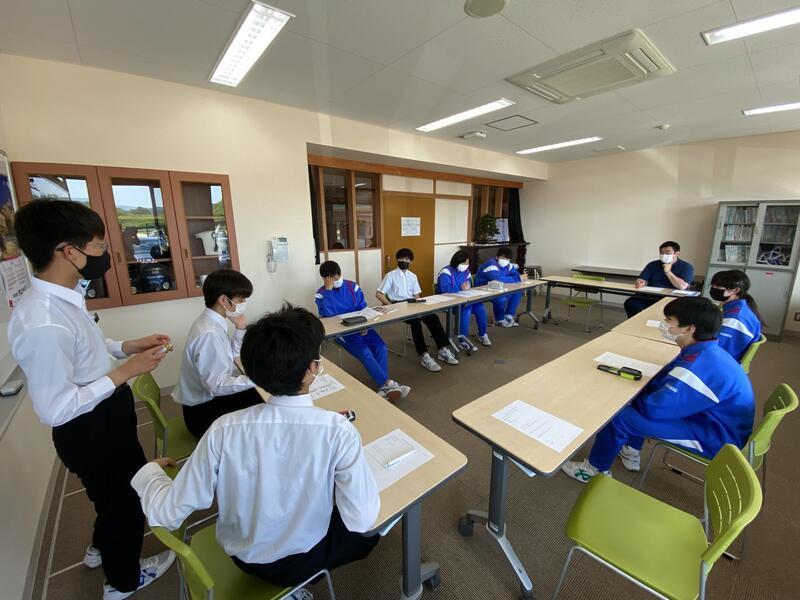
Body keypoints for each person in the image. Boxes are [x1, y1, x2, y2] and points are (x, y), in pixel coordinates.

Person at [132, 305, 381, 595]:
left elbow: (167, 512)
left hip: (242, 557)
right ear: (313, 368)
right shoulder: (337, 431)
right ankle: (294, 588)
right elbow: (361, 519)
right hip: (301, 559)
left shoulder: (223, 429)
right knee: (371, 533)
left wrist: (150, 473)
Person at [9, 200, 175, 600]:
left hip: (106, 415)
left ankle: (100, 547)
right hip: (90, 428)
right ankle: (123, 581)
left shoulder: (65, 298)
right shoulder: (42, 322)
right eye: (99, 247)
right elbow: (56, 407)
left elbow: (87, 350)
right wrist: (126, 371)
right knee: (125, 502)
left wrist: (127, 347)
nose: (106, 255)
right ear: (69, 251)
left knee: (110, 497)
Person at [561, 297, 754, 483]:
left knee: (620, 416)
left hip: (716, 437)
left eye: (669, 320)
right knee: (640, 399)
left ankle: (594, 470)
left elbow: (655, 410)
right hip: (708, 418)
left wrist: (630, 399)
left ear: (689, 328)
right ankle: (630, 449)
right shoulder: (705, 351)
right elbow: (665, 381)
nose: (663, 324)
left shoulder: (697, 368)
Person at [174, 268, 262, 438]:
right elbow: (217, 386)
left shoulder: (211, 322)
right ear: (223, 300)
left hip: (206, 401)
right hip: (202, 415)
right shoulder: (209, 333)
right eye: (241, 299)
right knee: (263, 401)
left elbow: (232, 355)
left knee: (258, 394)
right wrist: (259, 379)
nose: (244, 304)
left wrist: (240, 328)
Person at [315, 260, 410, 401]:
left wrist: (365, 325)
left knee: (381, 347)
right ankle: (388, 383)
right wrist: (329, 291)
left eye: (337, 277)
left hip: (361, 325)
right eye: (332, 279)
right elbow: (328, 316)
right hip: (342, 332)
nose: (336, 280)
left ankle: (384, 386)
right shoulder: (321, 294)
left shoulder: (352, 286)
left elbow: (363, 307)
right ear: (325, 279)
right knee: (365, 351)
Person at [376, 248, 459, 372]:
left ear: (411, 261)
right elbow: (379, 294)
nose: (404, 261)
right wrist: (390, 306)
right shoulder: (391, 275)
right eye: (401, 258)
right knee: (415, 323)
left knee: (432, 317)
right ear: (397, 260)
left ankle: (442, 350)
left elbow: (416, 296)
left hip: (412, 303)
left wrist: (421, 307)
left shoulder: (413, 276)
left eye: (407, 259)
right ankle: (424, 356)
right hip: (397, 305)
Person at [437, 250, 491, 352]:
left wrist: (468, 289)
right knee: (466, 310)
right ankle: (462, 341)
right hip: (449, 301)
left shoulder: (466, 272)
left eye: (467, 263)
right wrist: (460, 288)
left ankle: (483, 334)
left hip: (465, 299)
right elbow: (444, 289)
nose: (466, 265)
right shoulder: (446, 272)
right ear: (456, 262)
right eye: (464, 263)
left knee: (480, 307)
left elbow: (469, 286)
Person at [624, 241, 695, 317]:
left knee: (664, 310)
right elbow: (642, 279)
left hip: (671, 298)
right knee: (631, 303)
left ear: (677, 253)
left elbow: (682, 286)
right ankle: (636, 322)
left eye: (668, 253)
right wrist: (640, 282)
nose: (664, 255)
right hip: (650, 295)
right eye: (662, 253)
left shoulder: (686, 267)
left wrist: (668, 272)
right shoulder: (652, 264)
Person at [709, 269, 763, 362]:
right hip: (726, 356)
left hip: (723, 361)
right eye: (712, 285)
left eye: (718, 286)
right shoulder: (739, 306)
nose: (713, 288)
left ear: (736, 290)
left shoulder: (734, 319)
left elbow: (714, 349)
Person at [474, 246, 528, 327]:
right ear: (497, 257)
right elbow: (497, 278)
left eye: (508, 259)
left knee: (517, 292)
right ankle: (499, 320)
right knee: (501, 298)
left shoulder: (508, 264)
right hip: (483, 288)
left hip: (497, 287)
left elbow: (514, 272)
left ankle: (508, 316)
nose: (505, 261)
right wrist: (518, 278)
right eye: (503, 258)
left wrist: (521, 276)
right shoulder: (491, 264)